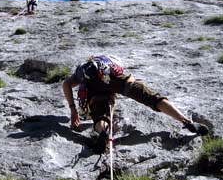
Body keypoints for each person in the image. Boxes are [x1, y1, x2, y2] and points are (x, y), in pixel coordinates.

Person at [62, 54, 211, 151]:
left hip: (91, 88)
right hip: (114, 79)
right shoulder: (110, 61)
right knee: (152, 98)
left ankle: (103, 132)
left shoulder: (82, 70)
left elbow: (66, 84)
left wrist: (73, 109)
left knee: (99, 114)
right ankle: (186, 121)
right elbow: (119, 74)